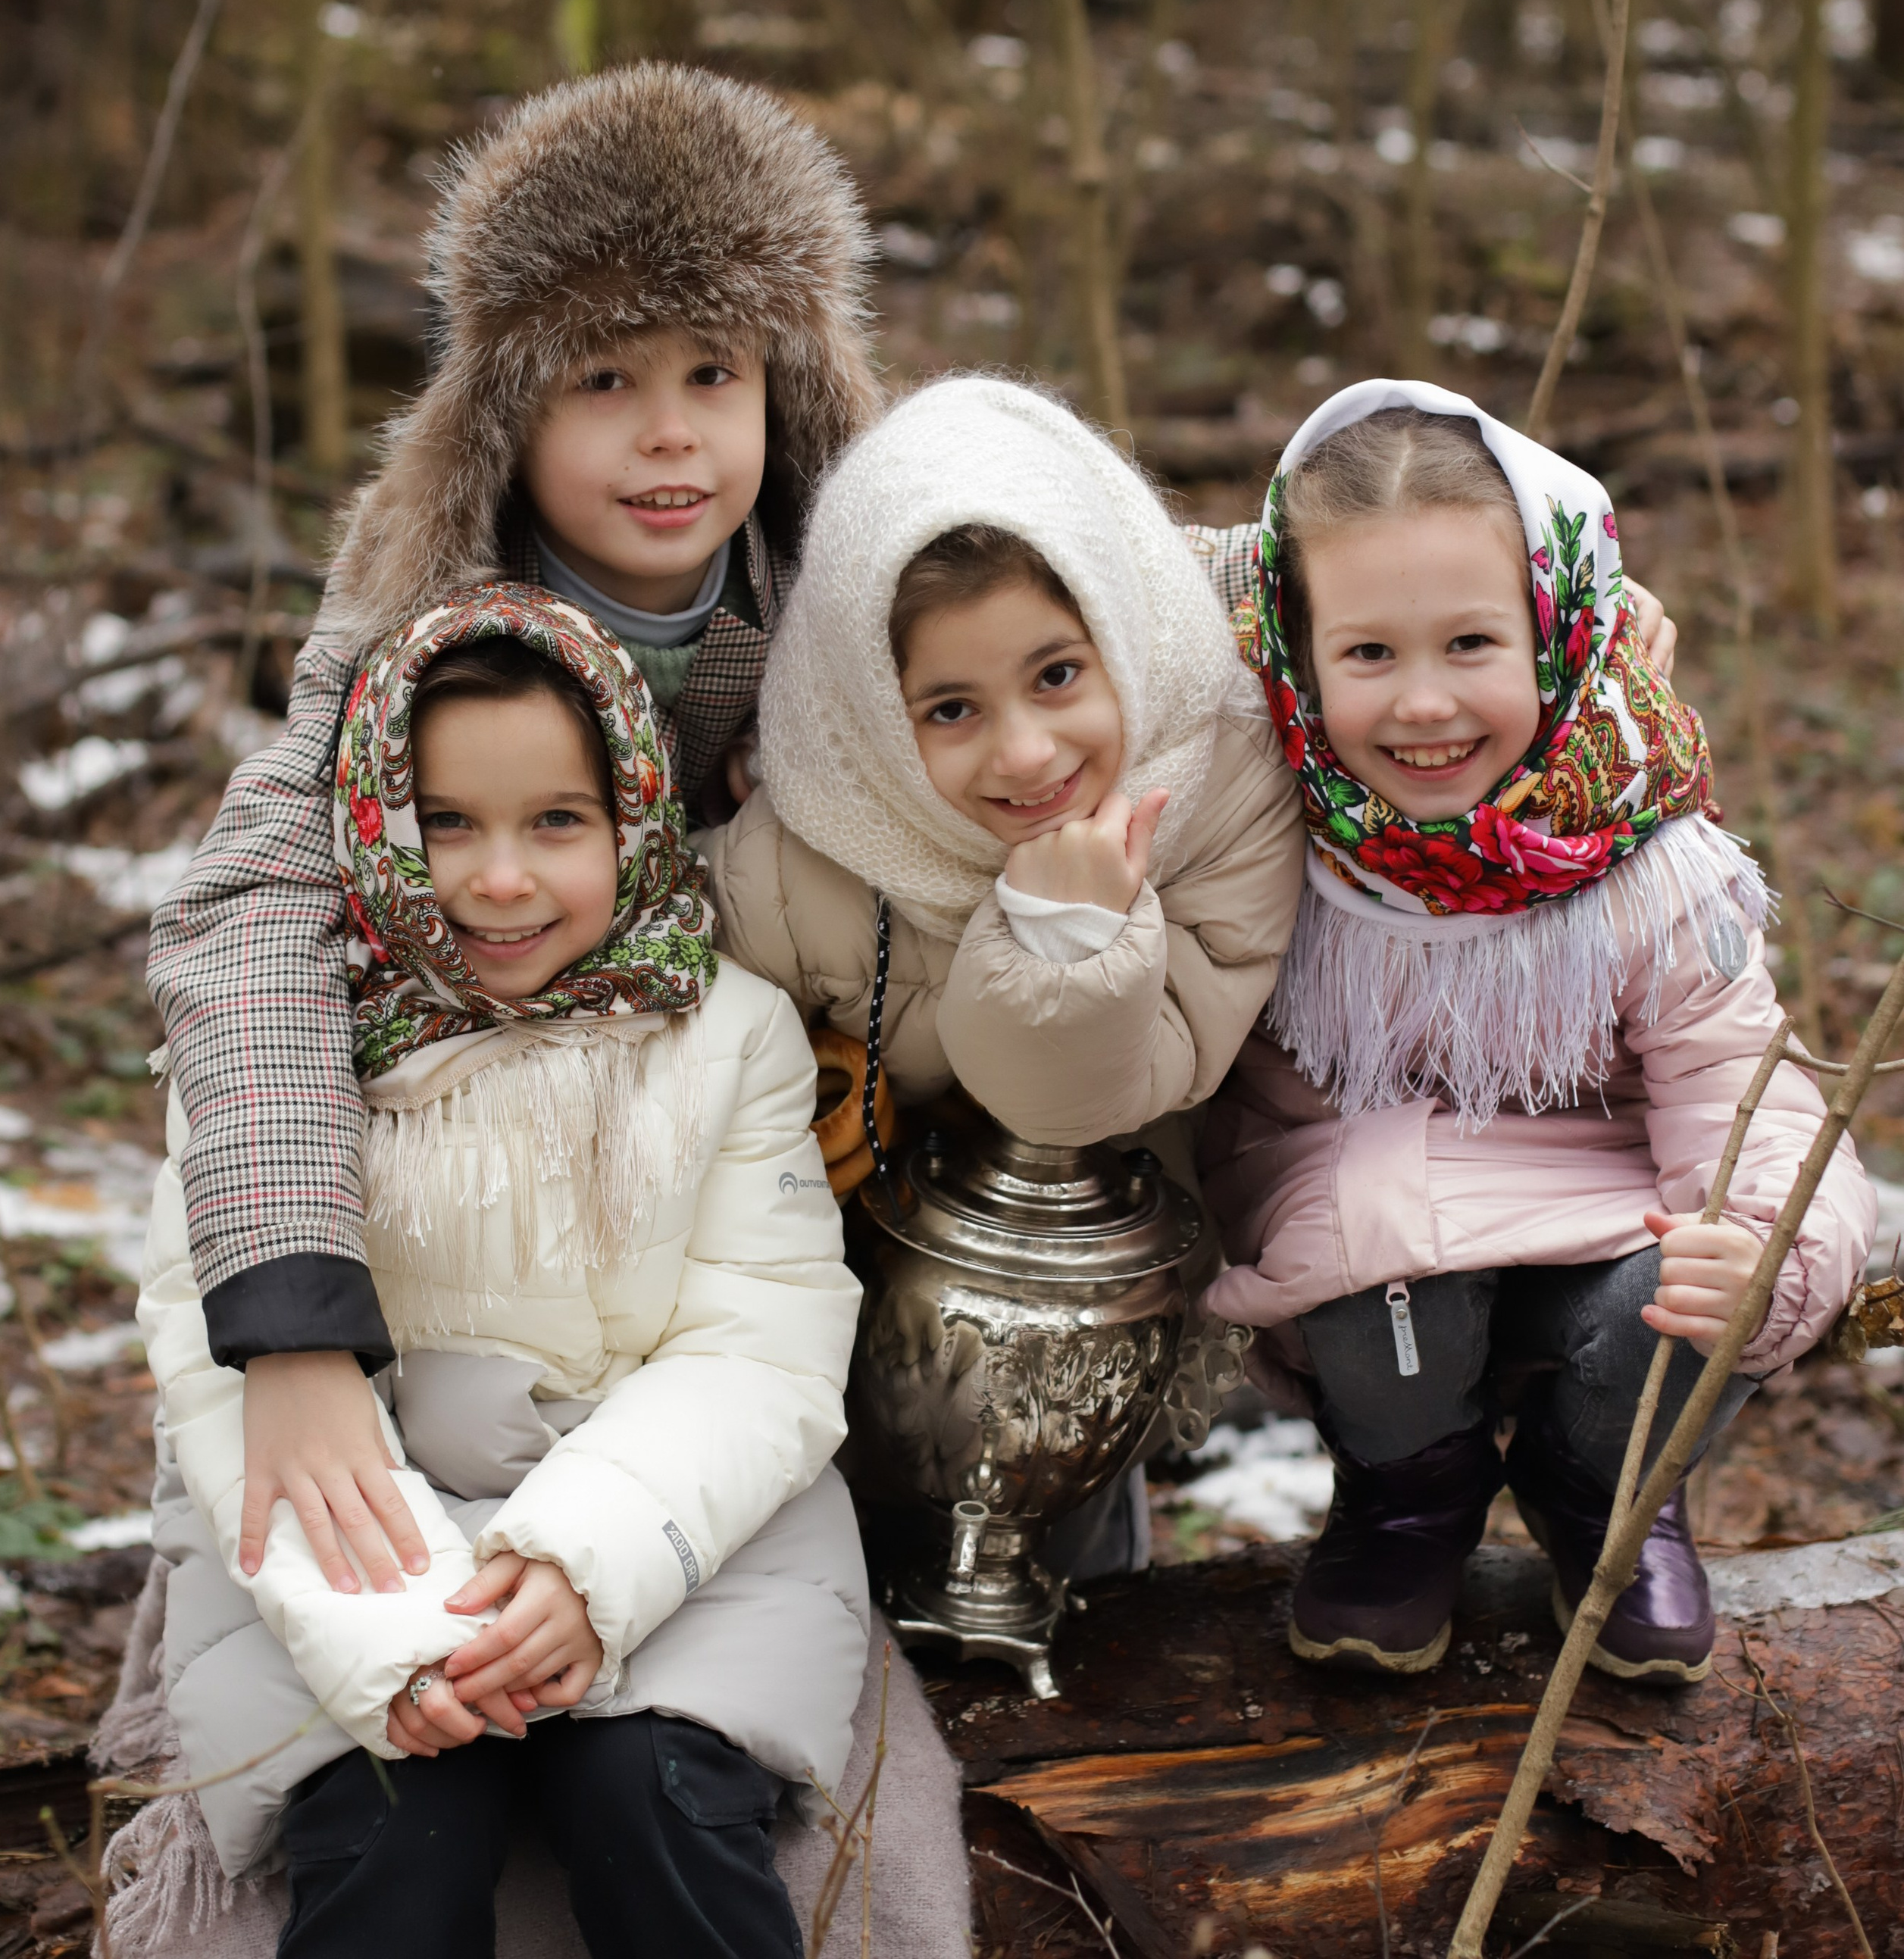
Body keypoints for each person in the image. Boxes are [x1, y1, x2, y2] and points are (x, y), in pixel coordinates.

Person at [139, 587, 891, 1959]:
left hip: (673, 1493)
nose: (499, 879)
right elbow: (212, 1354)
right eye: (446, 824)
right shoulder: (280, 1048)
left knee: (663, 1806)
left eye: (556, 822)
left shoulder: (721, 1034)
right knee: (393, 1840)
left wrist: (585, 1556)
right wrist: (389, 1636)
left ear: (632, 816)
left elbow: (764, 1342)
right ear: (374, 834)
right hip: (353, 1514)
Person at [145, 63, 880, 1608]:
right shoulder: (425, 616)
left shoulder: (835, 581)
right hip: (479, 1134)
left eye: (711, 376)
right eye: (602, 382)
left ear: (782, 386)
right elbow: (256, 897)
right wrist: (291, 1314)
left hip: (764, 1131)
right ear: (508, 406)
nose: (667, 438)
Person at [1199, 380, 1874, 1686]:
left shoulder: (1638, 848)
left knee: (1700, 1278)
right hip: (1381, 1259)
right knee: (1379, 1245)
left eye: (1471, 645)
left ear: (1560, 628)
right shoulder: (1262, 824)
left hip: (1607, 1228)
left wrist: (1764, 1244)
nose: (1424, 706)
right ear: (1291, 647)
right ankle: (1410, 1501)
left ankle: (1603, 1498)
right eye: (1369, 655)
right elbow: (1068, 577)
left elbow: (1741, 1082)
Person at [702, 375, 1306, 1561]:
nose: (1027, 754)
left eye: (1058, 677)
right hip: (845, 1317)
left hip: (1098, 1312)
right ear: (871, 712)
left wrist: (1065, 938)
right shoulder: (804, 840)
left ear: (1120, 636)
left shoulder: (1222, 776)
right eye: (949, 709)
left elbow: (1136, 1074)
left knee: (1073, 1588)